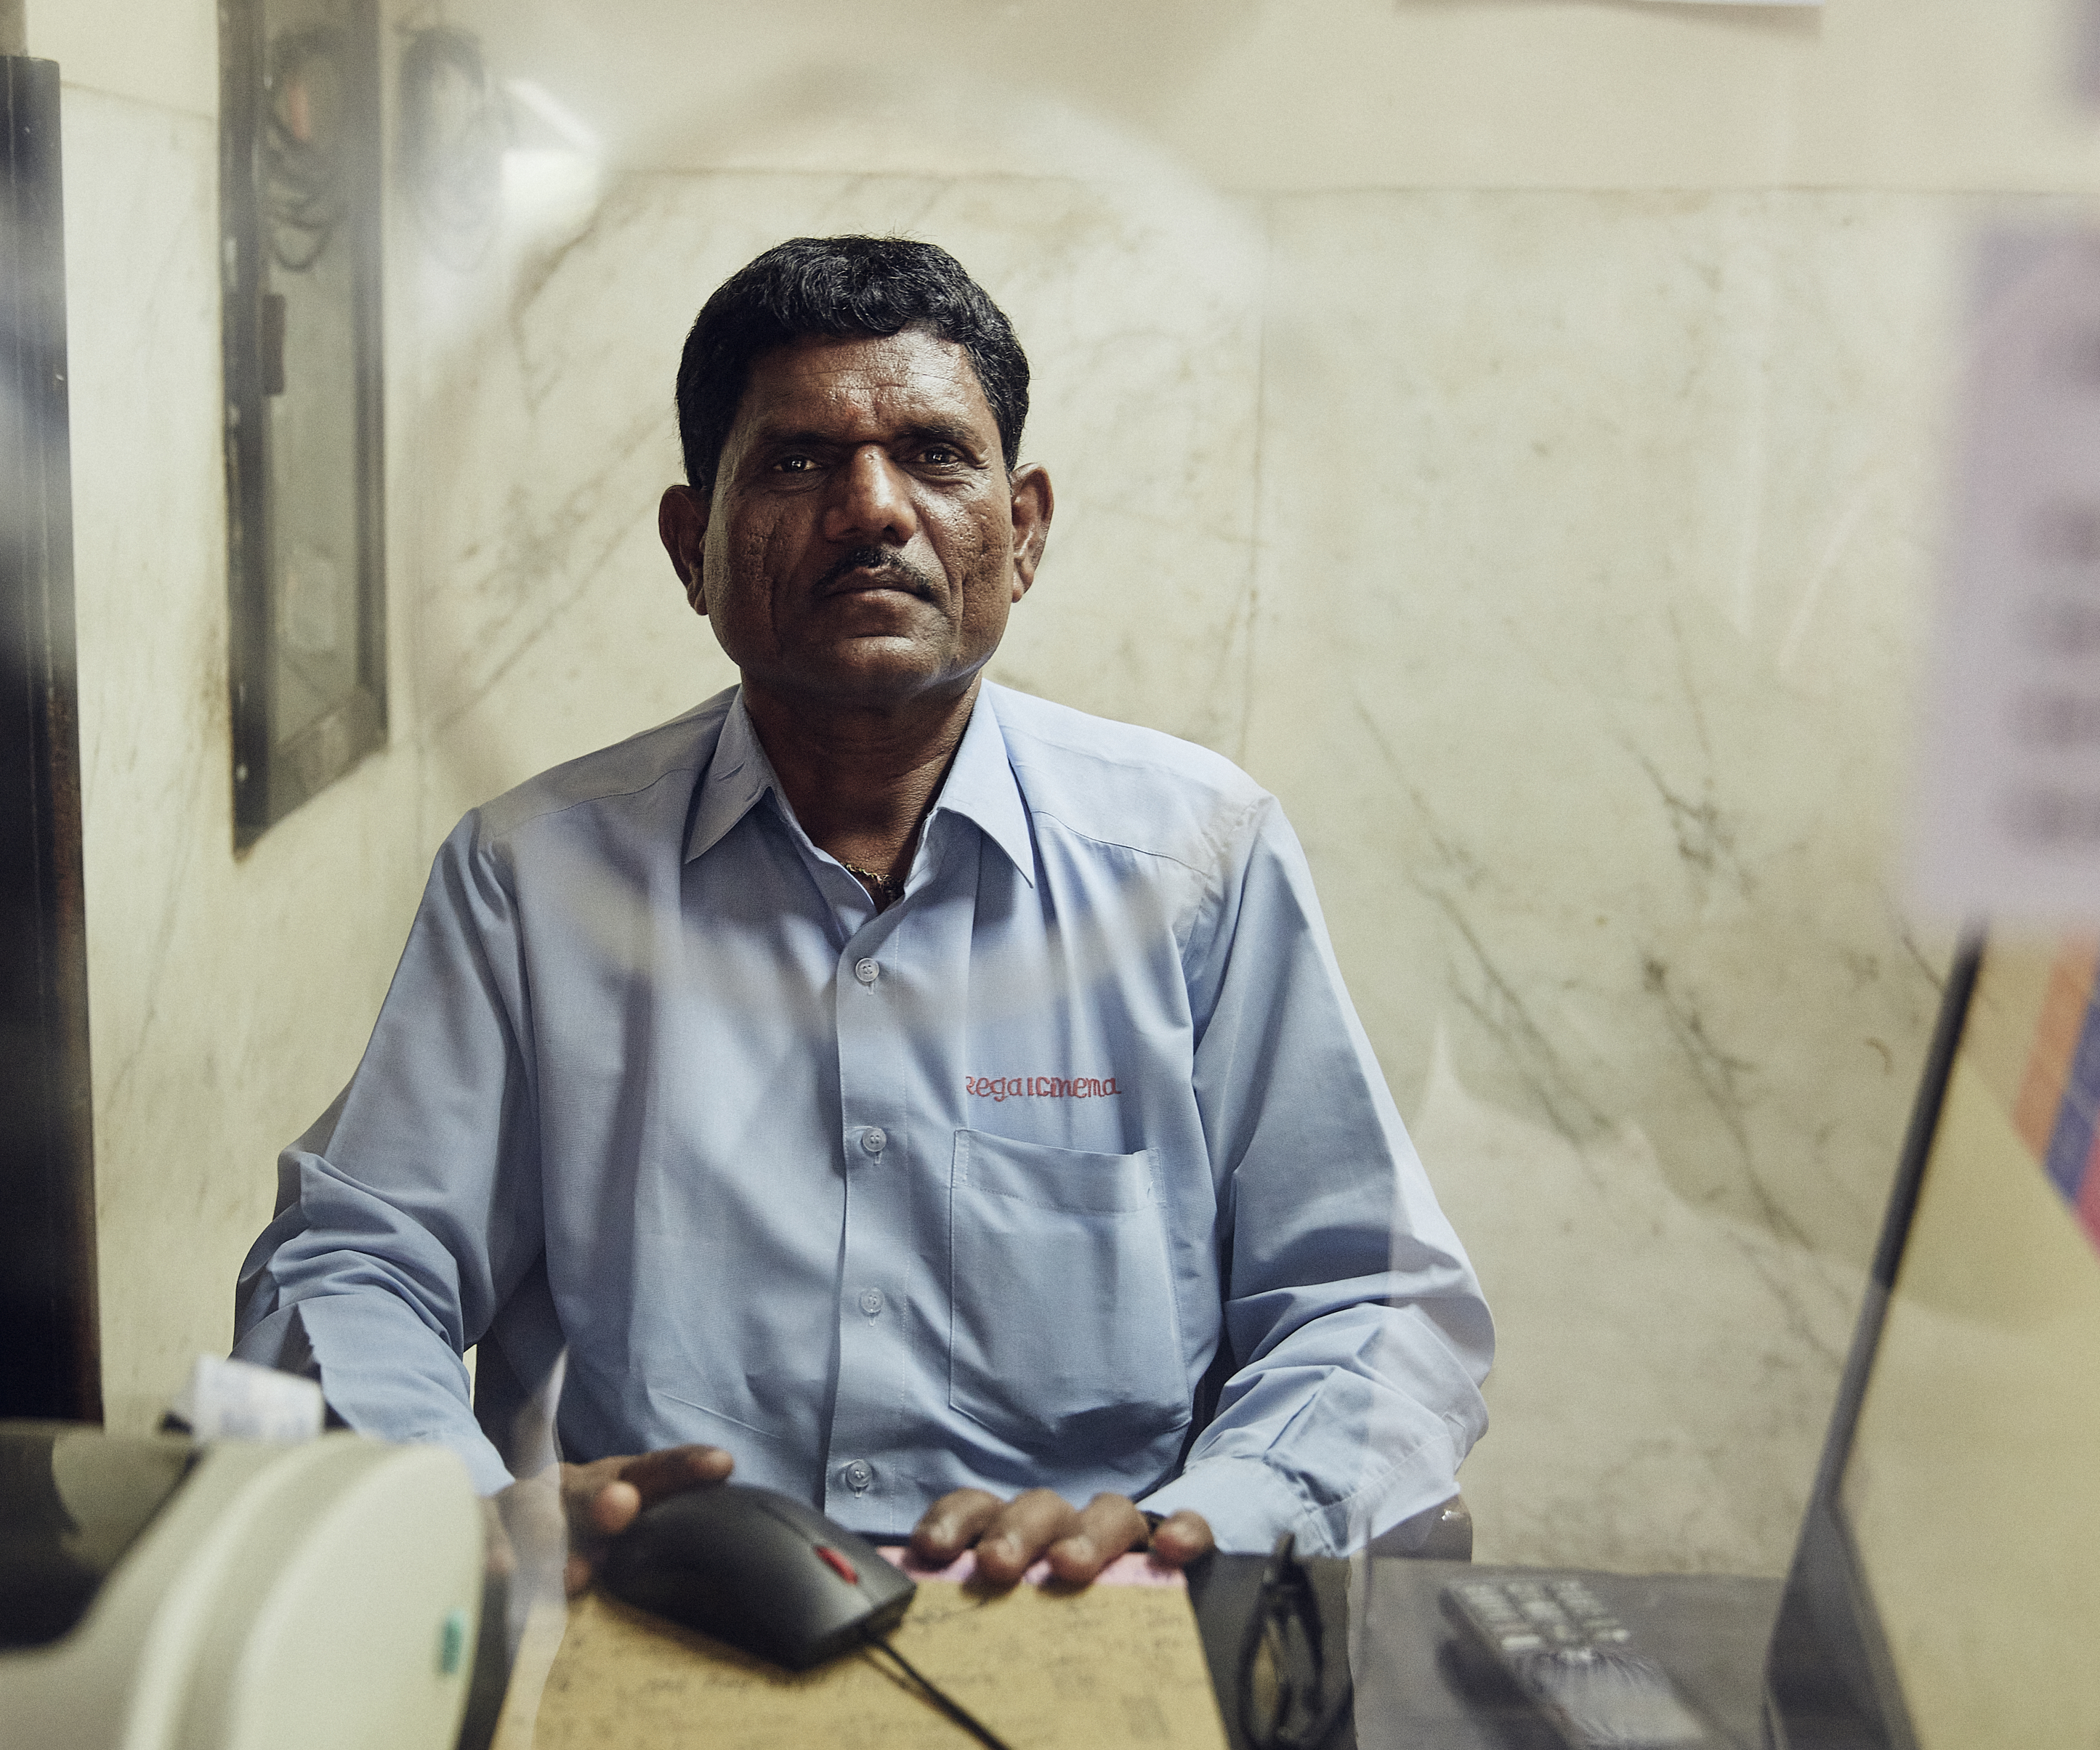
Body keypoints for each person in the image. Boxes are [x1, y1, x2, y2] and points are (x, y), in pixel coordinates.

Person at [235, 235, 1493, 1591]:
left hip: (1080, 1620)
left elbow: (1372, 1301)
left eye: (936, 456)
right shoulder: (539, 879)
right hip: (672, 1617)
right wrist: (462, 1505)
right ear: (689, 548)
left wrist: (1207, 1515)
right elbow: (351, 1262)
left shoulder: (1193, 861)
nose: (872, 509)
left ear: (1025, 531)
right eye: (795, 463)